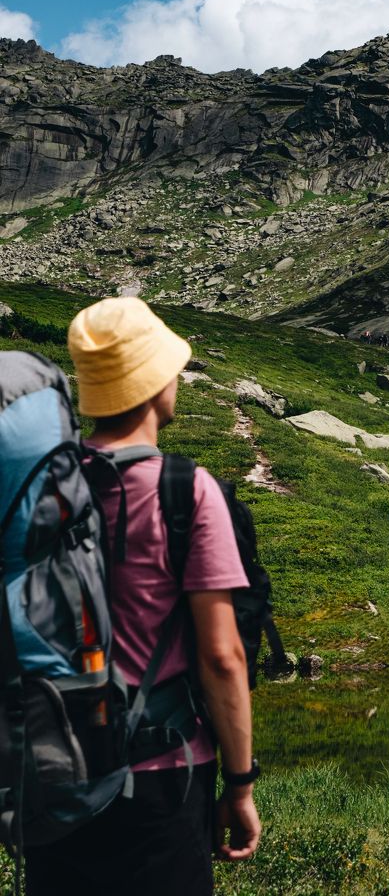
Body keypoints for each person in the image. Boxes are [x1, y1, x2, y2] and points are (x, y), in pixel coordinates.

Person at [24, 297, 261, 896]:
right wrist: (240, 784)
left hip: (55, 769)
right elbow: (222, 657)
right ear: (155, 384)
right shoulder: (186, 490)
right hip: (163, 776)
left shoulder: (43, 489)